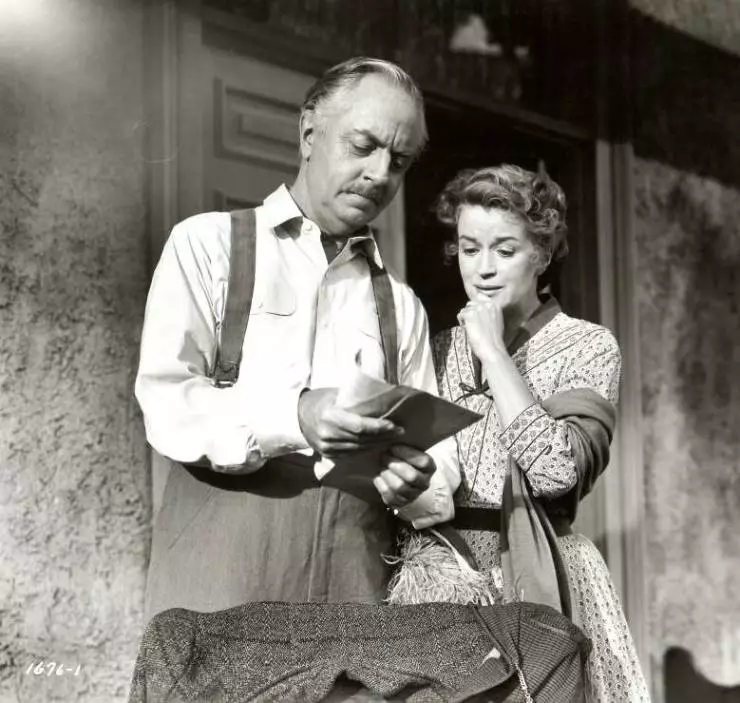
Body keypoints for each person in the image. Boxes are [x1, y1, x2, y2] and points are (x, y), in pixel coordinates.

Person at [135, 57, 458, 619]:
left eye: (399, 160)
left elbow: (439, 460)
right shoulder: (208, 246)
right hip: (221, 579)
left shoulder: (401, 304)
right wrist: (296, 415)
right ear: (309, 132)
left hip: (355, 585)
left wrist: (417, 482)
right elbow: (167, 404)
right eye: (363, 146)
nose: (380, 174)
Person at [388, 165, 651, 701]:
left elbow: (556, 472)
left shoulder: (588, 346)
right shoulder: (435, 349)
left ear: (543, 254)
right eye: (470, 249)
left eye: (504, 250)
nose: (483, 268)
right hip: (438, 579)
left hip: (539, 576)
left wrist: (493, 351)